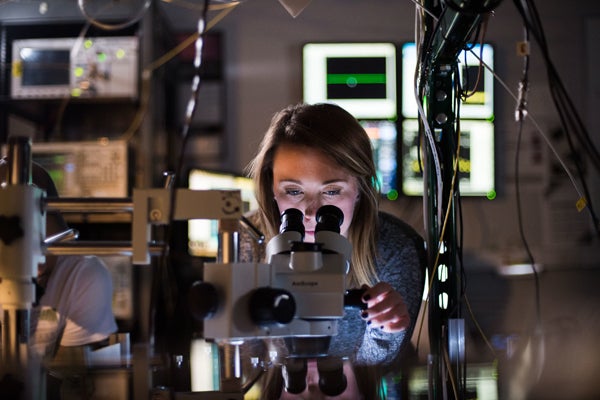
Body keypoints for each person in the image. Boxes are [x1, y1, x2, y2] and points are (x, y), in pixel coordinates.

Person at [238, 102, 426, 396]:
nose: (311, 211)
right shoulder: (248, 240)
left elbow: (375, 371)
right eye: (294, 191)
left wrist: (386, 329)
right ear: (270, 188)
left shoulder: (393, 249)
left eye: (332, 191)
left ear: (360, 190)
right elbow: (242, 360)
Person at [0, 158, 118, 398]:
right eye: (24, 251)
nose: (39, 266)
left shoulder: (83, 275)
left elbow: (72, 386)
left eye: (45, 245)